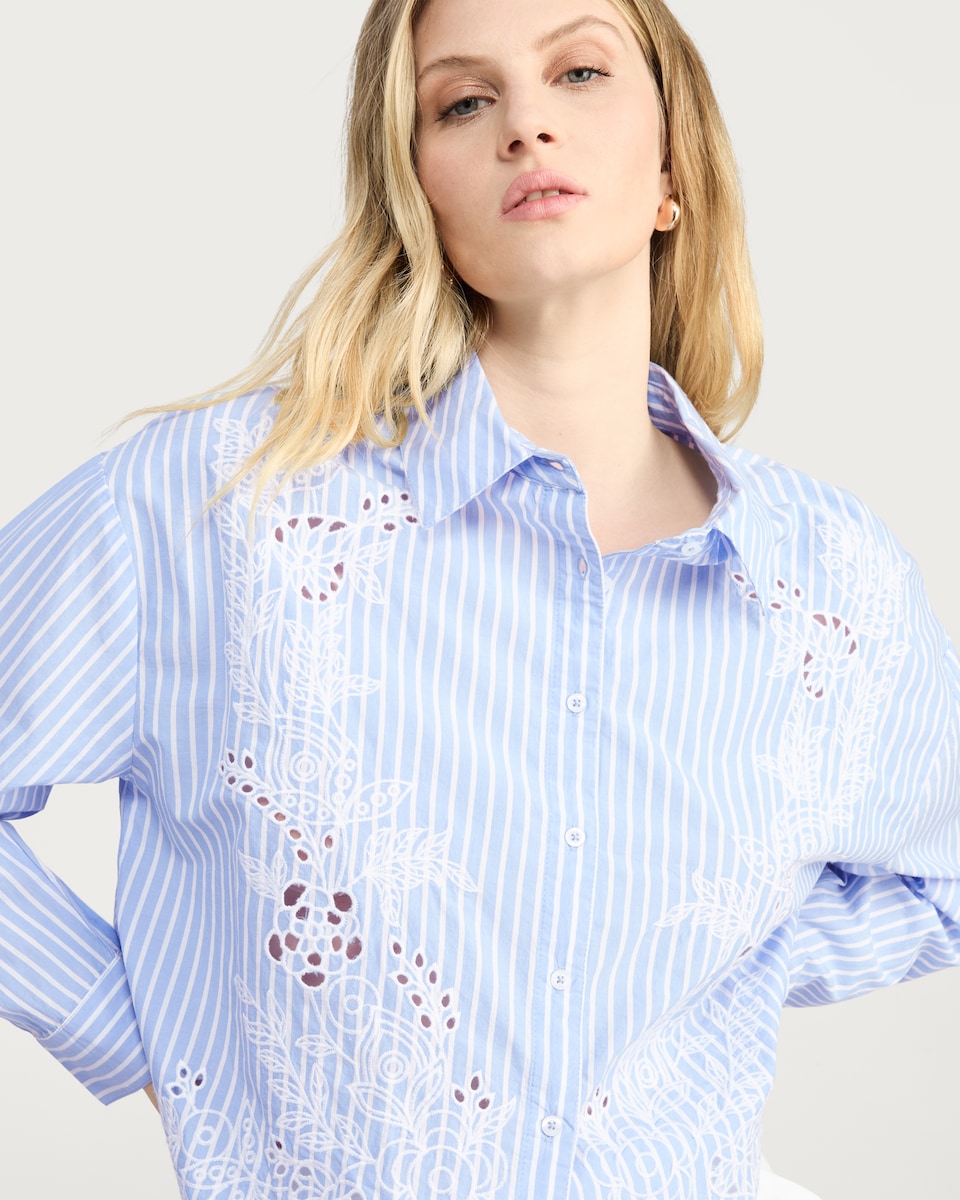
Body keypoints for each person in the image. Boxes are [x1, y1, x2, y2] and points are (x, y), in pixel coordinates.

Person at [0, 0, 957, 1198]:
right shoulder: (214, 508)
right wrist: (148, 1038)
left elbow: (944, 878)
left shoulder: (830, 579)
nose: (527, 125)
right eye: (463, 101)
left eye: (581, 72)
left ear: (674, 168)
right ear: (415, 190)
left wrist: (712, 951)